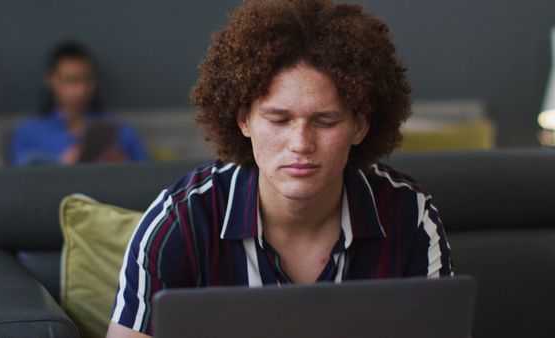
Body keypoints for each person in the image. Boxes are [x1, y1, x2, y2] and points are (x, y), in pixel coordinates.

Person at [107, 1, 453, 337]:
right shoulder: (181, 219)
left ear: (360, 126)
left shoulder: (409, 214)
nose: (301, 143)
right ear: (244, 119)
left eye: (326, 121)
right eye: (278, 119)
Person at [10, 42, 149, 165]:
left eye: (87, 79)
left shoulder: (121, 131)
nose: (81, 90)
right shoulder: (29, 133)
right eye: (71, 80)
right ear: (51, 81)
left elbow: (147, 179)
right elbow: (19, 183)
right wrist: (61, 165)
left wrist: (121, 166)